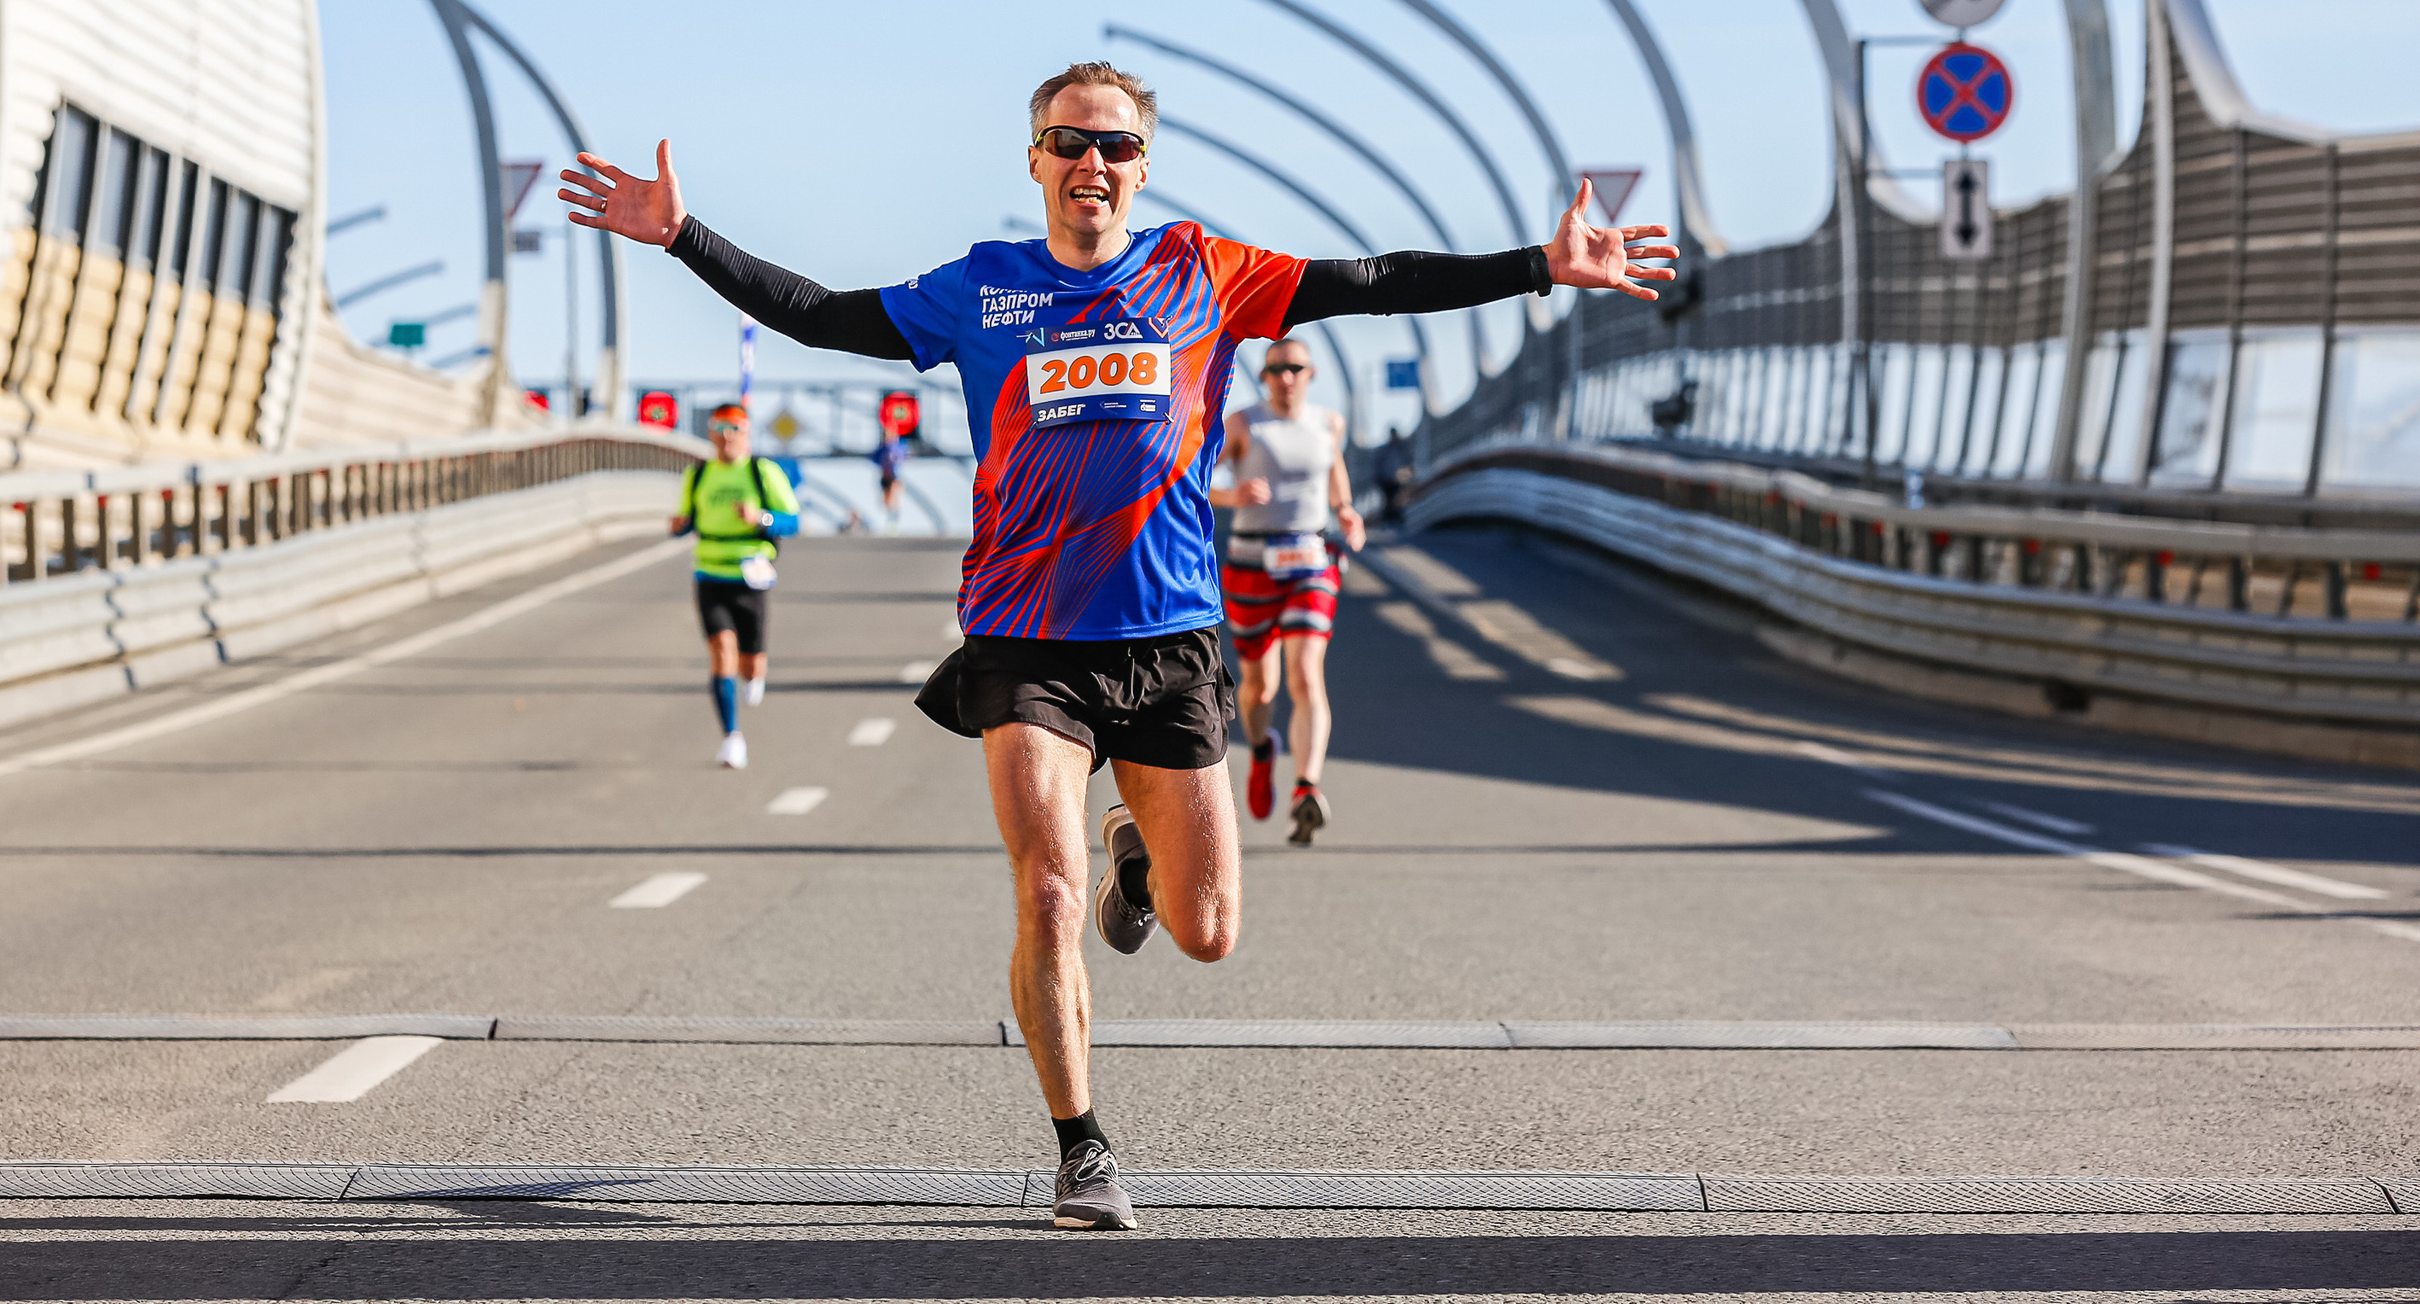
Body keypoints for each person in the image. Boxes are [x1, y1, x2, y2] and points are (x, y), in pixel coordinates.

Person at [563, 61, 1674, 1231]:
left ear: (1144, 165)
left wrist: (1541, 268)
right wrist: (683, 233)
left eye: (1115, 148)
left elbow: (1374, 282)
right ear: (1034, 160)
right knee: (1043, 893)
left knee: (1208, 932)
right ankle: (1080, 1149)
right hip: (1024, 638)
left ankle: (1135, 852)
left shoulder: (1203, 269)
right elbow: (820, 315)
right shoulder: (977, 290)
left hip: (1172, 638)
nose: (1092, 165)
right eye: (1067, 143)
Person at [1210, 338, 1363, 844]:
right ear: (1265, 376)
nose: (1285, 377)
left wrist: (1346, 511)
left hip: (1311, 562)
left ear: (1311, 373)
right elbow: (1192, 477)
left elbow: (1334, 472)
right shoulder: (1244, 425)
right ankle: (1260, 751)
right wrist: (1233, 495)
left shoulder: (1327, 424)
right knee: (1260, 688)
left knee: (1304, 674)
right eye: (1275, 369)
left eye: (1294, 368)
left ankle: (1306, 787)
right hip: (1252, 564)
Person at [670, 402, 800, 769]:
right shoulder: (698, 475)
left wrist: (759, 516)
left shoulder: (762, 472)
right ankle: (732, 737)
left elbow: (792, 521)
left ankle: (754, 674)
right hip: (710, 573)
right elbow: (687, 520)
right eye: (719, 427)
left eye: (735, 428)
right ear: (710, 433)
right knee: (721, 652)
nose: (727, 435)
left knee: (751, 664)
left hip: (751, 575)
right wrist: (677, 525)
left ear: (747, 433)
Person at [872, 427, 909, 526]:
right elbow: (874, 458)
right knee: (886, 501)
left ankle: (893, 520)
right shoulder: (882, 448)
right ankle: (891, 518)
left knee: (894, 498)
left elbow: (904, 457)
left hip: (894, 477)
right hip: (885, 477)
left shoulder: (899, 447)